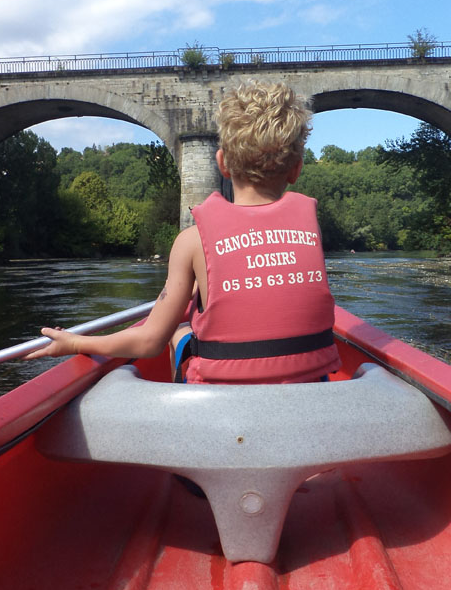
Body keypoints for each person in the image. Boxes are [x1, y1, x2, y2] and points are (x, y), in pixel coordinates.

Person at [27, 81, 339, 384]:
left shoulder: (193, 241)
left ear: (222, 164)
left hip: (220, 410)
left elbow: (149, 341)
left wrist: (75, 343)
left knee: (178, 333)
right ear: (297, 168)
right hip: (307, 402)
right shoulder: (311, 234)